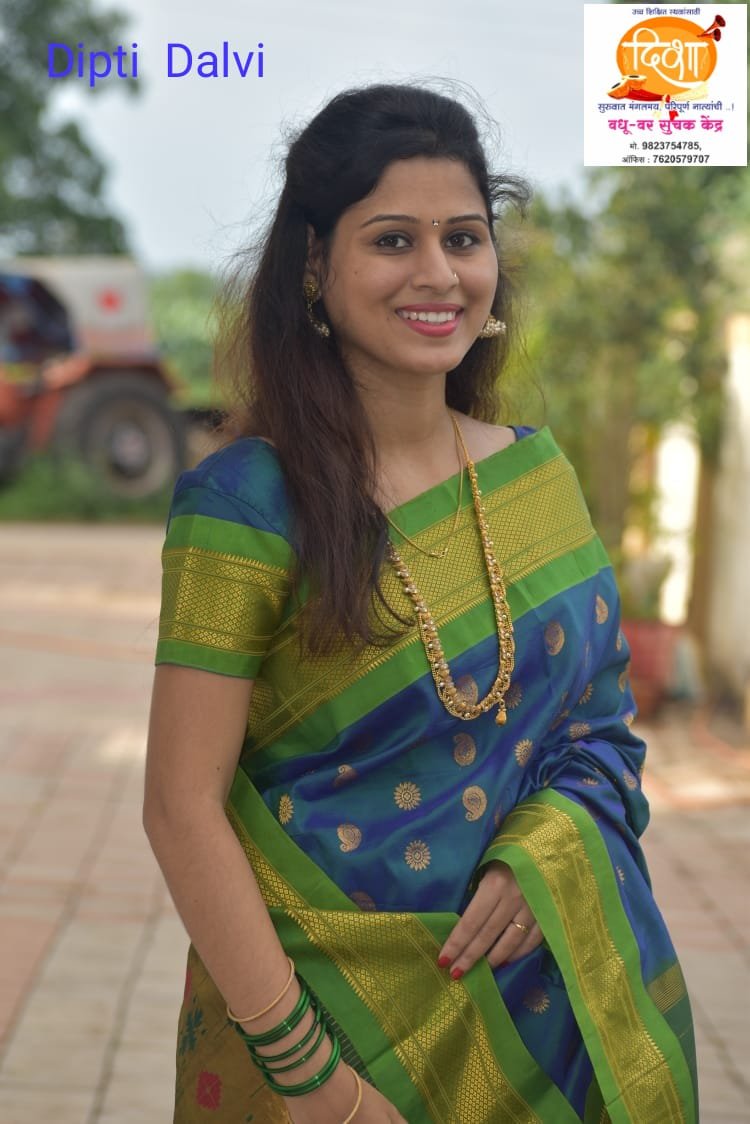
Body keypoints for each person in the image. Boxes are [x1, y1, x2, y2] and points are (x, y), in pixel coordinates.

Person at [144, 83, 698, 1123]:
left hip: (538, 1012)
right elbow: (180, 805)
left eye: (464, 238)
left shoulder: (536, 480)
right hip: (317, 1030)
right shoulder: (246, 504)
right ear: (315, 266)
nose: (439, 273)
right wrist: (314, 1080)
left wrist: (544, 856)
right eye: (393, 240)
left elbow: (601, 733)